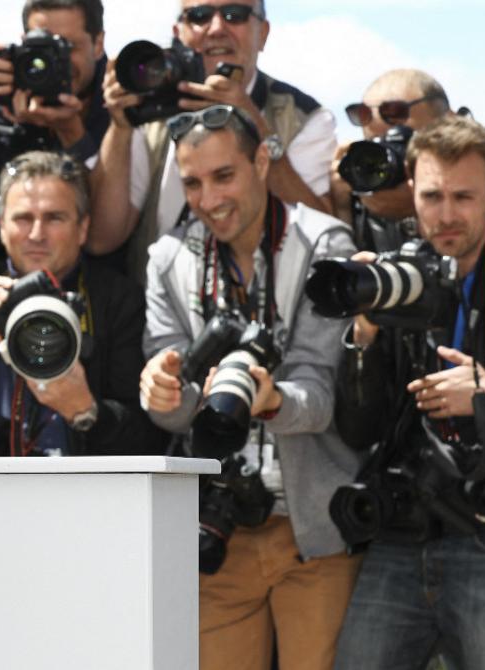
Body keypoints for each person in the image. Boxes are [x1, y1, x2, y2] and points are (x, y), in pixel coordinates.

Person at [332, 116, 485, 670]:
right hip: (404, 532)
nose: (446, 214)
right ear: (410, 192)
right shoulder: (397, 276)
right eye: (432, 195)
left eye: (464, 196)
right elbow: (356, 429)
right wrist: (364, 339)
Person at [138, 105, 358, 669]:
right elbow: (177, 406)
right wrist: (163, 395)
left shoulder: (323, 245)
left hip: (313, 530)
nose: (209, 200)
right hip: (218, 530)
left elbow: (323, 393)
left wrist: (273, 401)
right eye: (192, 182)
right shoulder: (166, 260)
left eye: (223, 176)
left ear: (263, 160)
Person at [0, 150, 165, 457]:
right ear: (1, 226)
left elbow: (146, 442)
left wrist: (86, 412)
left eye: (54, 218)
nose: (37, 234)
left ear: (82, 228)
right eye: (23, 218)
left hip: (83, 489)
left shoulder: (117, 299)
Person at [89, 0, 337, 282]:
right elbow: (102, 239)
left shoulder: (304, 117)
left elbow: (323, 239)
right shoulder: (149, 108)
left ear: (263, 34)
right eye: (199, 16)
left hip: (268, 305)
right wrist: (121, 127)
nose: (217, 28)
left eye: (236, 15)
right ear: (178, 31)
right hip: (162, 309)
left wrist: (254, 124)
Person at [331, 68, 485, 247]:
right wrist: (341, 210)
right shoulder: (366, 186)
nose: (390, 162)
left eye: (403, 144)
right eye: (377, 148)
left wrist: (419, 207)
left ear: (451, 120)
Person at [0, 0, 110, 255]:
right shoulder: (10, 89)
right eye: (44, 47)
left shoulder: (118, 102)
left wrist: (72, 134)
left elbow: (103, 232)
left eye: (67, 47)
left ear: (98, 44)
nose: (53, 61)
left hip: (97, 281)